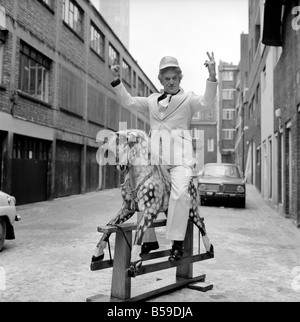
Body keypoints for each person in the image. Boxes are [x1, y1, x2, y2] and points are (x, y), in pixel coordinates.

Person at [105, 53, 218, 262]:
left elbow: (207, 101)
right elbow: (128, 101)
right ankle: (148, 240)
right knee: (139, 191)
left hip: (180, 159)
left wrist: (212, 75)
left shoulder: (188, 99)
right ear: (161, 80)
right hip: (155, 159)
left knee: (180, 192)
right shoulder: (150, 101)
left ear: (180, 78)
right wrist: (116, 79)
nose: (171, 81)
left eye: (175, 77)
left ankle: (176, 242)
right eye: (167, 78)